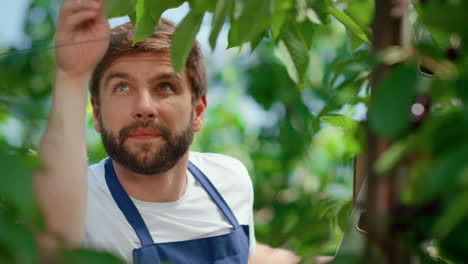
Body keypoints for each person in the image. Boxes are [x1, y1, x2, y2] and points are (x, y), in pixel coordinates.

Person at [33, 0, 303, 263]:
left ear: (197, 111)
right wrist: (71, 76)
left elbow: (249, 256)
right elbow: (51, 250)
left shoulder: (230, 179)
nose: (144, 107)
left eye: (164, 86)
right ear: (99, 114)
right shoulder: (77, 203)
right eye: (122, 87)